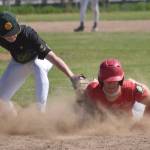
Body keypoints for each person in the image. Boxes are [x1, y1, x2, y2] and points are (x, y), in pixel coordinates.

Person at [0, 12, 79, 115]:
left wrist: (71, 76)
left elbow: (52, 57)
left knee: (38, 66)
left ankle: (40, 112)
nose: (13, 34)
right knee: (1, 99)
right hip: (19, 62)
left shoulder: (28, 34)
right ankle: (15, 117)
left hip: (39, 58)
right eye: (9, 34)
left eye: (14, 30)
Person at [75, 58, 150, 121]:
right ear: (101, 80)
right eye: (107, 81)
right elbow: (81, 106)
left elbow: (147, 97)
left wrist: (143, 122)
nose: (111, 84)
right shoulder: (92, 90)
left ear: (121, 80)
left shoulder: (132, 90)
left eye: (115, 81)